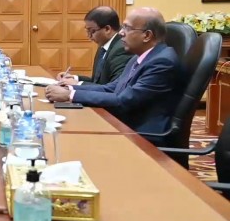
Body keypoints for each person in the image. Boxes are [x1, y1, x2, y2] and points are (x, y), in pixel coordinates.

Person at [45, 8, 183, 143]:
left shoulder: (162, 62)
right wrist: (70, 89)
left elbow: (124, 100)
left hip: (141, 135)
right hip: (125, 124)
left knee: (69, 138)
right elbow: (112, 88)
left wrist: (69, 95)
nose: (121, 33)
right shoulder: (139, 57)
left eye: (127, 28)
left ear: (147, 35)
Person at [57, 7, 132, 86]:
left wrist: (78, 84)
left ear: (107, 29)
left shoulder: (121, 49)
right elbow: (96, 81)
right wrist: (75, 78)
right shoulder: (104, 46)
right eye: (87, 31)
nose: (89, 36)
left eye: (92, 31)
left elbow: (114, 87)